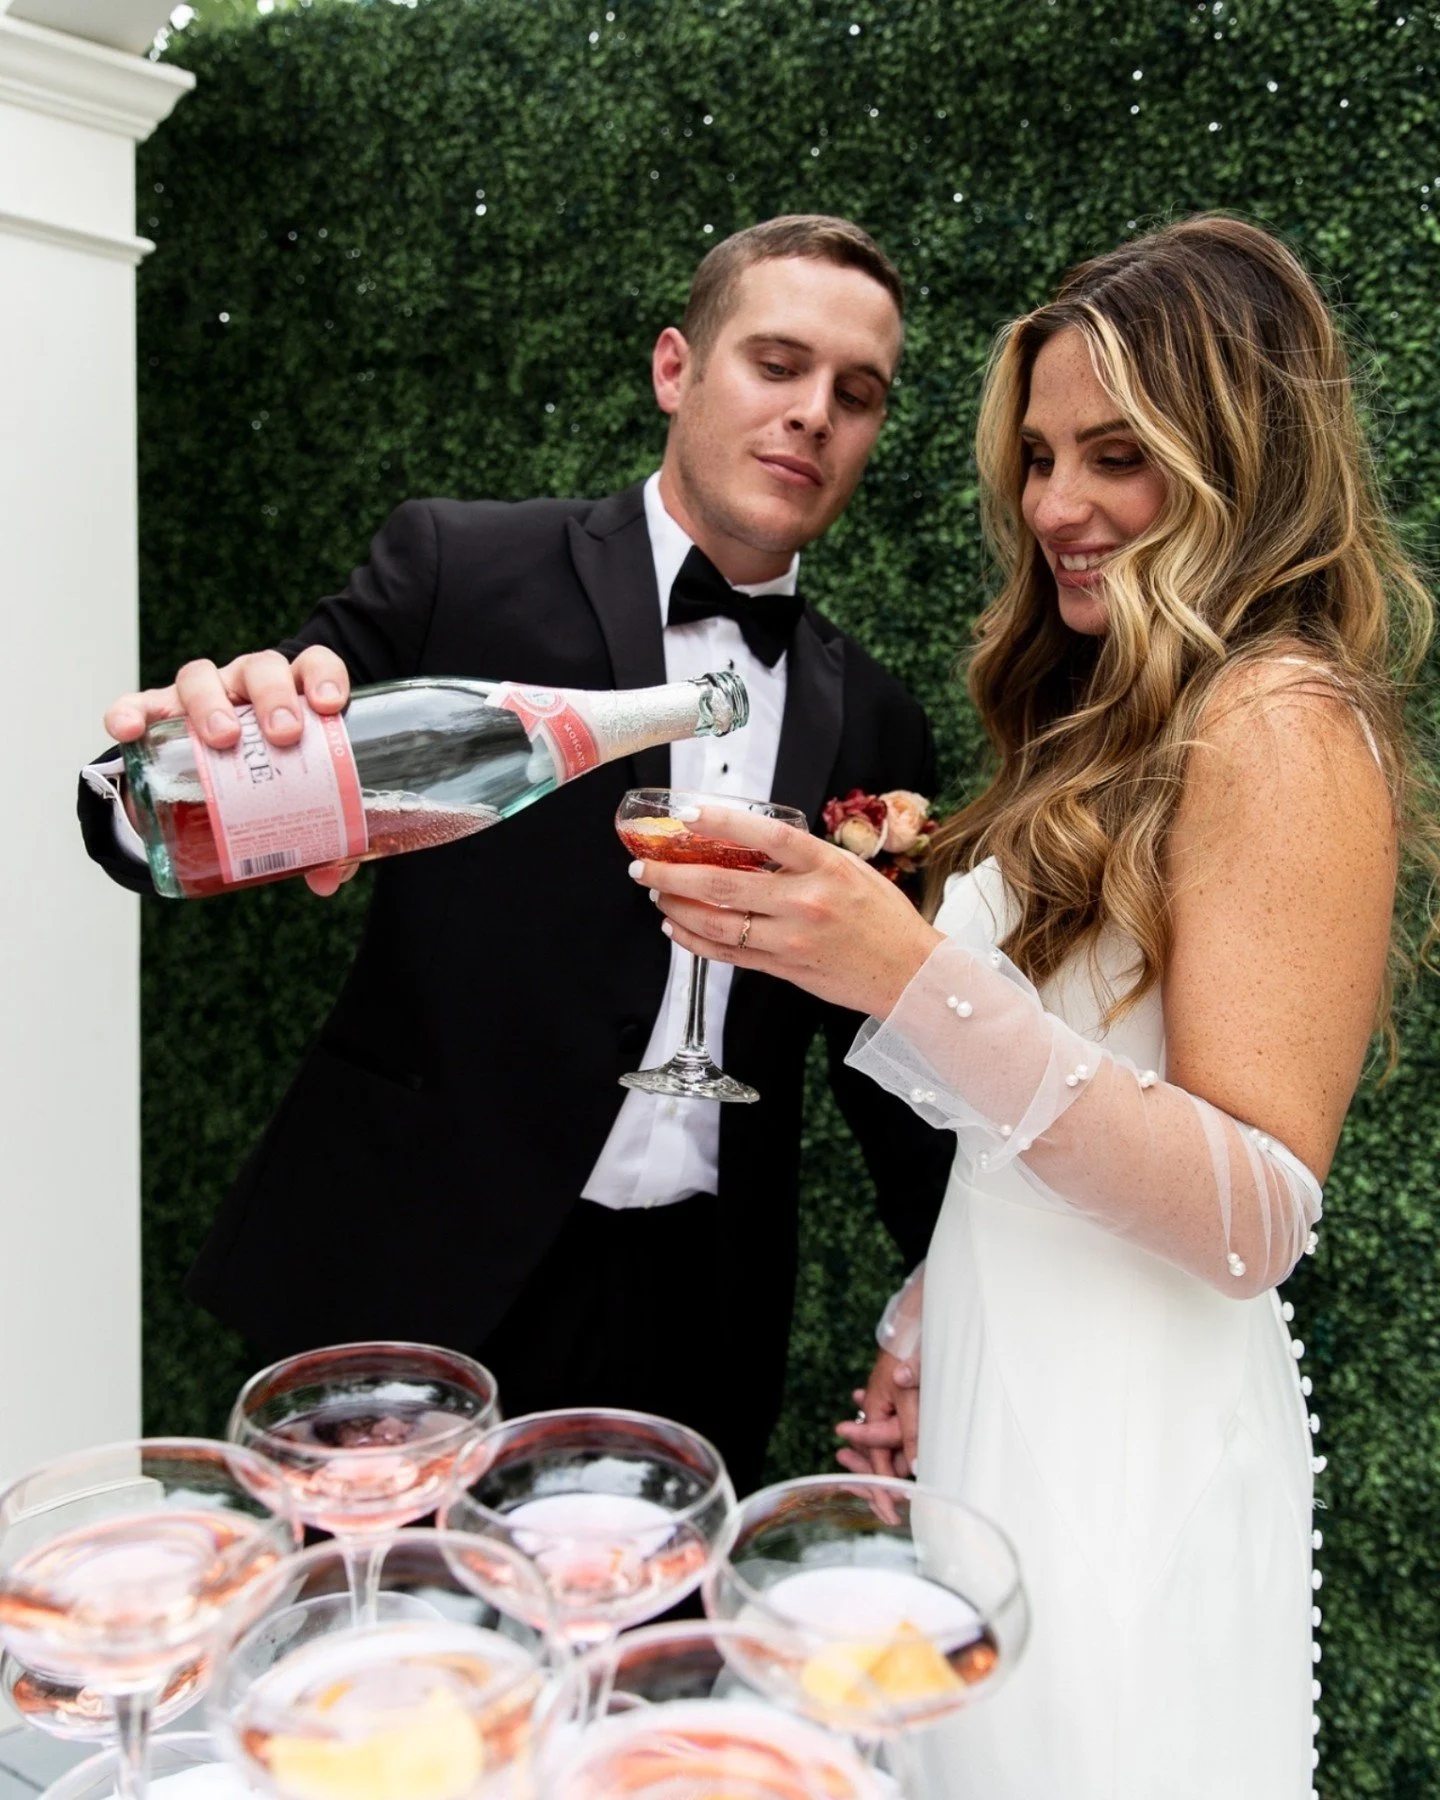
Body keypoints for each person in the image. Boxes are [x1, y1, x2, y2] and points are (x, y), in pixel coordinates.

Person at [635, 215, 1437, 1794]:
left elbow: (1257, 1210)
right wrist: (928, 1314)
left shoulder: (1281, 715)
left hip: (1129, 1449)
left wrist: (902, 974)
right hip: (1015, 1392)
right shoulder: (1116, 707)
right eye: (1042, 456)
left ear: (1241, 455)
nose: (1056, 505)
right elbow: (1067, 1089)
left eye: (1116, 457)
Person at [78, 215, 955, 1497]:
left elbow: (893, 1049)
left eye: (856, 393)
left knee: (656, 1628)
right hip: (412, 1270)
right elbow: (241, 770)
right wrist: (180, 762)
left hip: (697, 1321)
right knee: (366, 1621)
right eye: (777, 364)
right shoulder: (458, 565)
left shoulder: (876, 717)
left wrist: (945, 1295)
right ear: (675, 368)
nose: (813, 413)